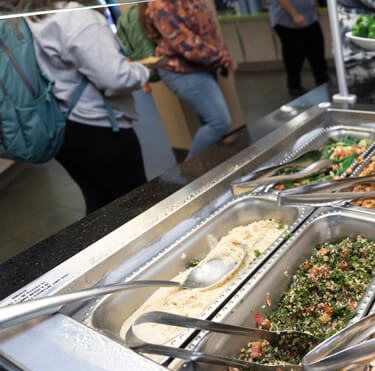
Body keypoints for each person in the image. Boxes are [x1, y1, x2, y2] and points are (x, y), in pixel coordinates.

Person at [26, 1, 151, 214]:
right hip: (101, 127)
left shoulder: (37, 16)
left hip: (65, 124)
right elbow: (115, 78)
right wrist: (142, 70)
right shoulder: (79, 18)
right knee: (138, 205)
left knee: (100, 206)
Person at [146, 0, 236, 159]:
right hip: (183, 70)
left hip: (203, 66)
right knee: (218, 122)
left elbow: (208, 31)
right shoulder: (161, 5)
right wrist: (223, 58)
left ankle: (207, 173)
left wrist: (222, 55)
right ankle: (192, 175)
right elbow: (187, 44)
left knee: (208, 122)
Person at [269, 0, 329, 97]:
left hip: (309, 17)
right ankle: (294, 86)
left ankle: (323, 81)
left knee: (317, 50)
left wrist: (315, 7)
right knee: (294, 54)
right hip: (286, 20)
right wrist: (295, 15)